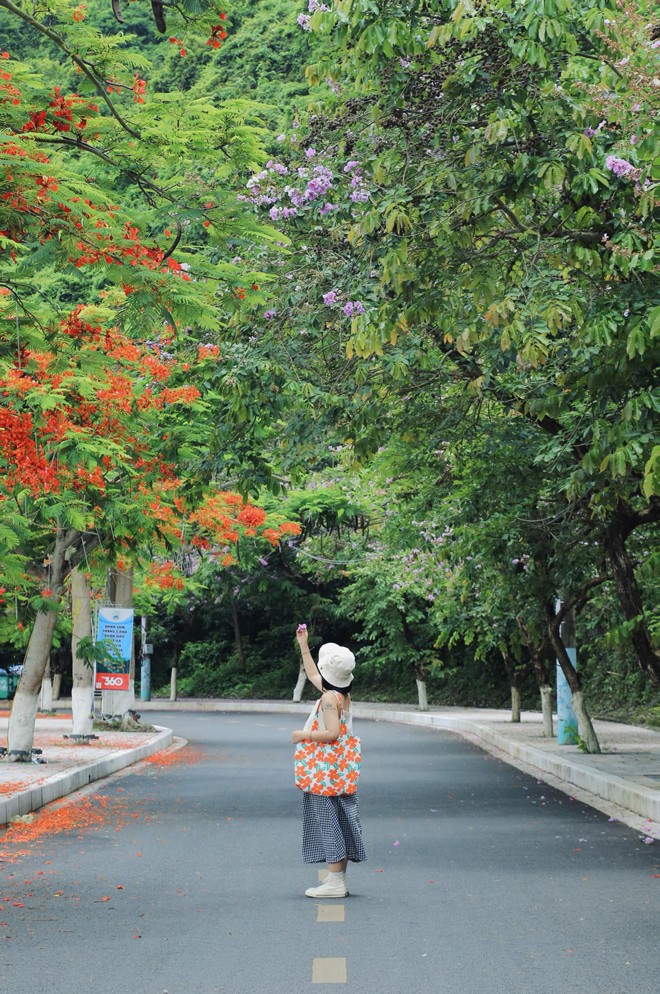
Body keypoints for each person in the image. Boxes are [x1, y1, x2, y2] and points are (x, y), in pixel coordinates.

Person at [291, 624, 367, 898]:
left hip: (325, 771)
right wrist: (303, 644)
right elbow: (313, 673)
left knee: (327, 819)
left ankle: (335, 882)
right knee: (338, 817)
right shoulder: (341, 694)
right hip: (339, 770)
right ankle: (339, 879)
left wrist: (305, 734)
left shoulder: (328, 699)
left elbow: (332, 733)